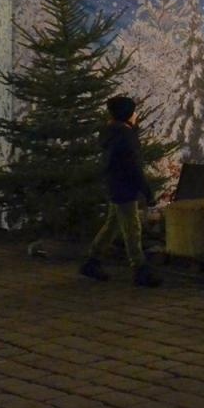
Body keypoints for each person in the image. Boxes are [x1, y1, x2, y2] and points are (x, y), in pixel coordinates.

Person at [80, 96, 162, 287]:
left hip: (114, 184)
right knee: (132, 228)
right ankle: (139, 268)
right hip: (125, 186)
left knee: (112, 225)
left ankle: (92, 261)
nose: (136, 115)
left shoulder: (111, 132)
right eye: (133, 112)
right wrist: (147, 192)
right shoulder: (126, 136)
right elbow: (134, 166)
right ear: (127, 114)